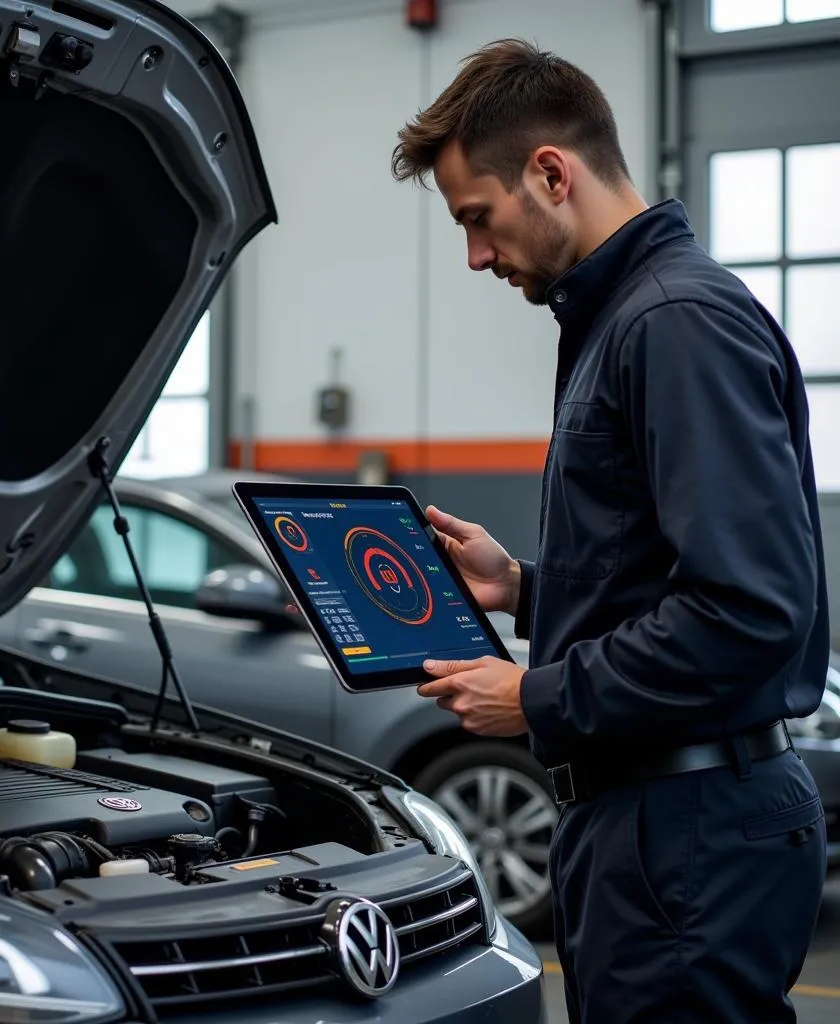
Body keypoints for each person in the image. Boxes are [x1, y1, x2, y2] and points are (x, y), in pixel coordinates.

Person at [391, 37, 829, 1024]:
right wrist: (525, 589)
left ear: (550, 171)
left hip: (686, 830)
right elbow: (674, 570)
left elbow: (748, 609)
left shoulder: (670, 321)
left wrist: (538, 694)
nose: (473, 256)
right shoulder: (628, 318)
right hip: (658, 822)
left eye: (477, 219)